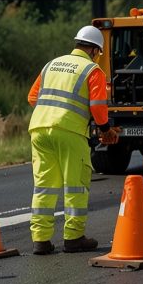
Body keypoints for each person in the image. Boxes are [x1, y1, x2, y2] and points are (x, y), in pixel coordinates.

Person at [27, 25, 120, 255]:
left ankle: (41, 240)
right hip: (69, 132)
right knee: (75, 185)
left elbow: (32, 97)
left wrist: (51, 113)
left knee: (45, 187)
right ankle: (73, 237)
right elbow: (98, 108)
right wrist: (106, 130)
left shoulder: (51, 65)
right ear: (95, 50)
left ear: (77, 44)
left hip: (39, 128)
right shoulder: (92, 70)